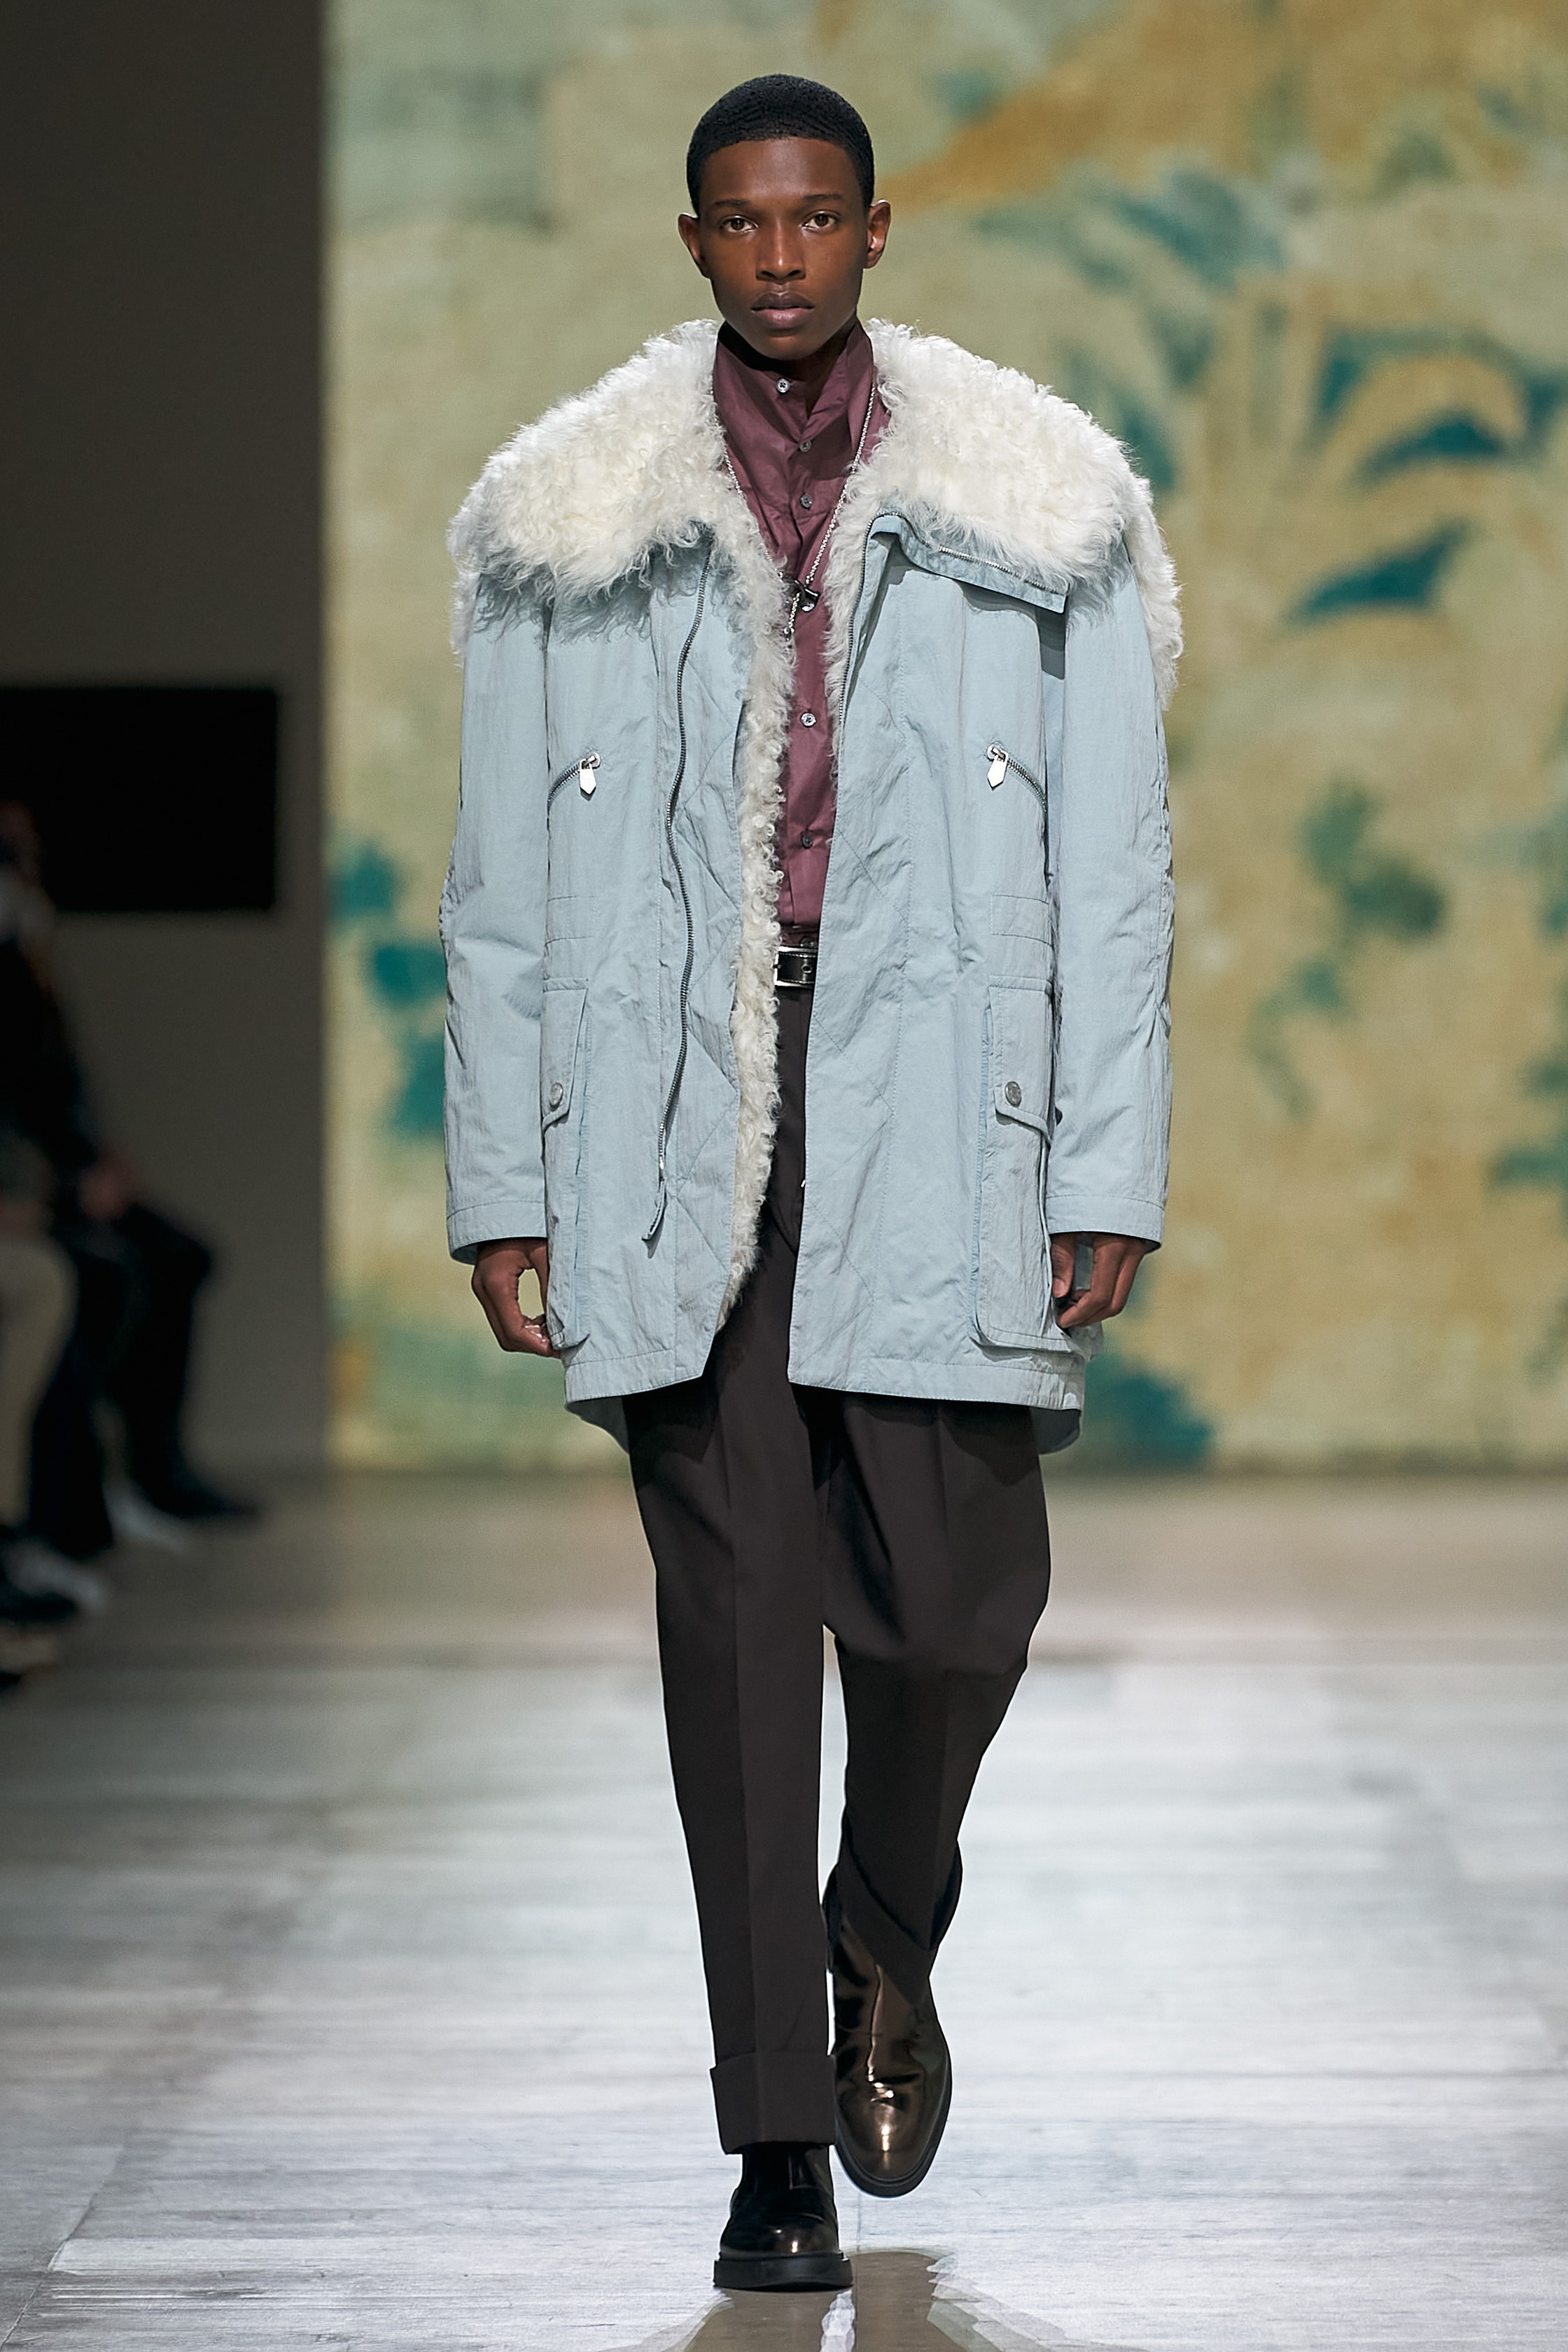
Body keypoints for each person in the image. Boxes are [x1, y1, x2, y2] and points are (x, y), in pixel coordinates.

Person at [442, 76, 1175, 2292]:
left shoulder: (1040, 503)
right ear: (693, 242)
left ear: (876, 229)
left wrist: (1106, 1156)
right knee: (741, 1632)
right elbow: (497, 887)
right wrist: (504, 1181)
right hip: (677, 1114)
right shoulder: (564, 521)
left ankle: (881, 1926)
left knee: (955, 1611)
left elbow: (1114, 870)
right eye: (742, 224)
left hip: (940, 1101)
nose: (781, 256)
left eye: (817, 218)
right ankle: (774, 2137)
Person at [0, 802, 252, 1560]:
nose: (22, 876)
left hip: (56, 1187)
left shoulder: (29, 966)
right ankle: (65, 1512)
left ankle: (148, 1474)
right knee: (96, 1277)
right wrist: (45, 1195)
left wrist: (98, 1162)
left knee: (178, 1256)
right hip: (30, 1201)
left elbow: (53, 1091)